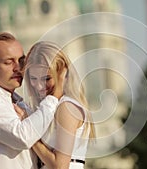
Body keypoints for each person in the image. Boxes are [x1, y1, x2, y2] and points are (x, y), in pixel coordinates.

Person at [0, 32, 65, 169]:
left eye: (21, 61)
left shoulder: (22, 104)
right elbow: (22, 137)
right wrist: (53, 97)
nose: (18, 68)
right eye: (8, 62)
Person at [21, 41, 95, 169]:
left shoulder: (67, 107)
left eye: (46, 78)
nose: (39, 86)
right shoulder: (49, 108)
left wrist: (29, 135)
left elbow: (60, 166)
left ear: (63, 74)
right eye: (33, 79)